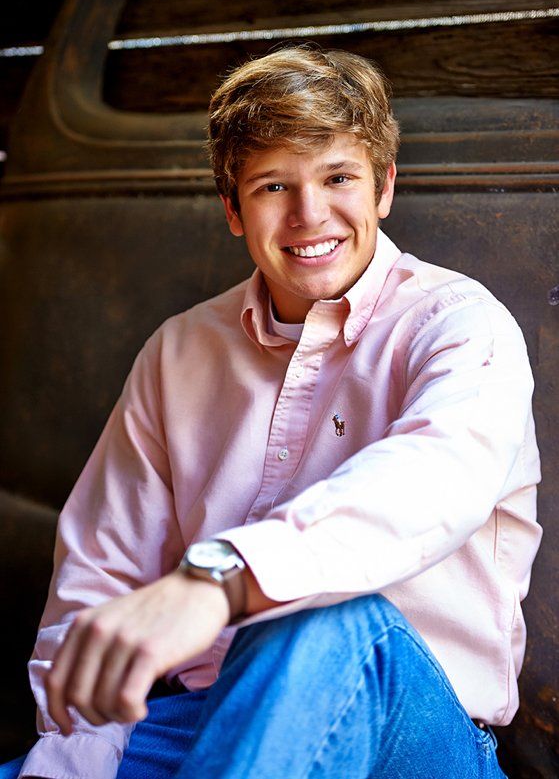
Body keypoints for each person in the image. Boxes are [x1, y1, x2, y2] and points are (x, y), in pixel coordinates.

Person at [3, 46, 541, 779]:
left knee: (322, 615)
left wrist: (222, 577)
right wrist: (77, 757)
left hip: (416, 736)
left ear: (383, 186)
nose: (308, 213)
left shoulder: (460, 324)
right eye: (271, 186)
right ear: (232, 207)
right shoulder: (179, 351)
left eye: (338, 177)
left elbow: (430, 478)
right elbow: (99, 574)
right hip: (198, 721)